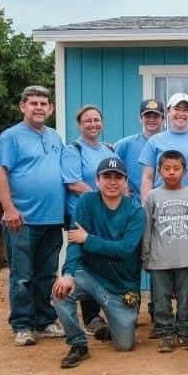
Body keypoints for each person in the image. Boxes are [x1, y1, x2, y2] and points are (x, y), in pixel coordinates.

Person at [0, 85, 66, 347]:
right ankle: (22, 325)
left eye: (43, 104)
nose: (38, 108)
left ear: (51, 108)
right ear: (22, 106)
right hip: (21, 221)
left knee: (47, 273)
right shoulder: (11, 137)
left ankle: (44, 321)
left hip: (52, 219)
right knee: (22, 275)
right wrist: (9, 209)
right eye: (33, 103)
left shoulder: (55, 137)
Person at [52, 157, 146, 368]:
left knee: (124, 345)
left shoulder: (136, 211)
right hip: (90, 276)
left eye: (118, 177)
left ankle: (113, 327)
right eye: (106, 176)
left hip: (122, 288)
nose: (112, 182)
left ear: (126, 181)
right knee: (60, 291)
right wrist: (68, 274)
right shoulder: (86, 202)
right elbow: (75, 242)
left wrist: (89, 240)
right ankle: (78, 344)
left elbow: (125, 249)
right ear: (97, 180)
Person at [61, 104, 115, 335]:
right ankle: (91, 317)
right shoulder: (73, 150)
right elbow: (73, 183)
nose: (93, 124)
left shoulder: (108, 150)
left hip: (104, 215)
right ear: (79, 124)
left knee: (103, 261)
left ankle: (107, 311)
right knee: (86, 263)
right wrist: (101, 196)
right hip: (83, 216)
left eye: (96, 120)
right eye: (87, 121)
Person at [142, 150, 188, 353]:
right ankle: (166, 335)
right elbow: (147, 229)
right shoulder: (152, 196)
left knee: (186, 300)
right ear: (159, 170)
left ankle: (184, 334)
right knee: (161, 301)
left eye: (176, 168)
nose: (171, 172)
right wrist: (146, 256)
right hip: (159, 260)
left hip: (186, 259)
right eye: (166, 168)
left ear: (185, 171)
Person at [140, 93, 188, 215]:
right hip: (162, 210)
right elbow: (147, 178)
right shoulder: (154, 141)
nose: (181, 114)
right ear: (168, 112)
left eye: (186, 110)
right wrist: (145, 210)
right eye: (176, 109)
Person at [114, 98, 164, 197]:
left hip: (162, 203)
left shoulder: (168, 143)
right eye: (147, 116)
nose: (151, 120)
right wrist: (123, 187)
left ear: (163, 118)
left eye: (156, 116)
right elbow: (110, 166)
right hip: (133, 204)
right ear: (140, 118)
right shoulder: (126, 144)